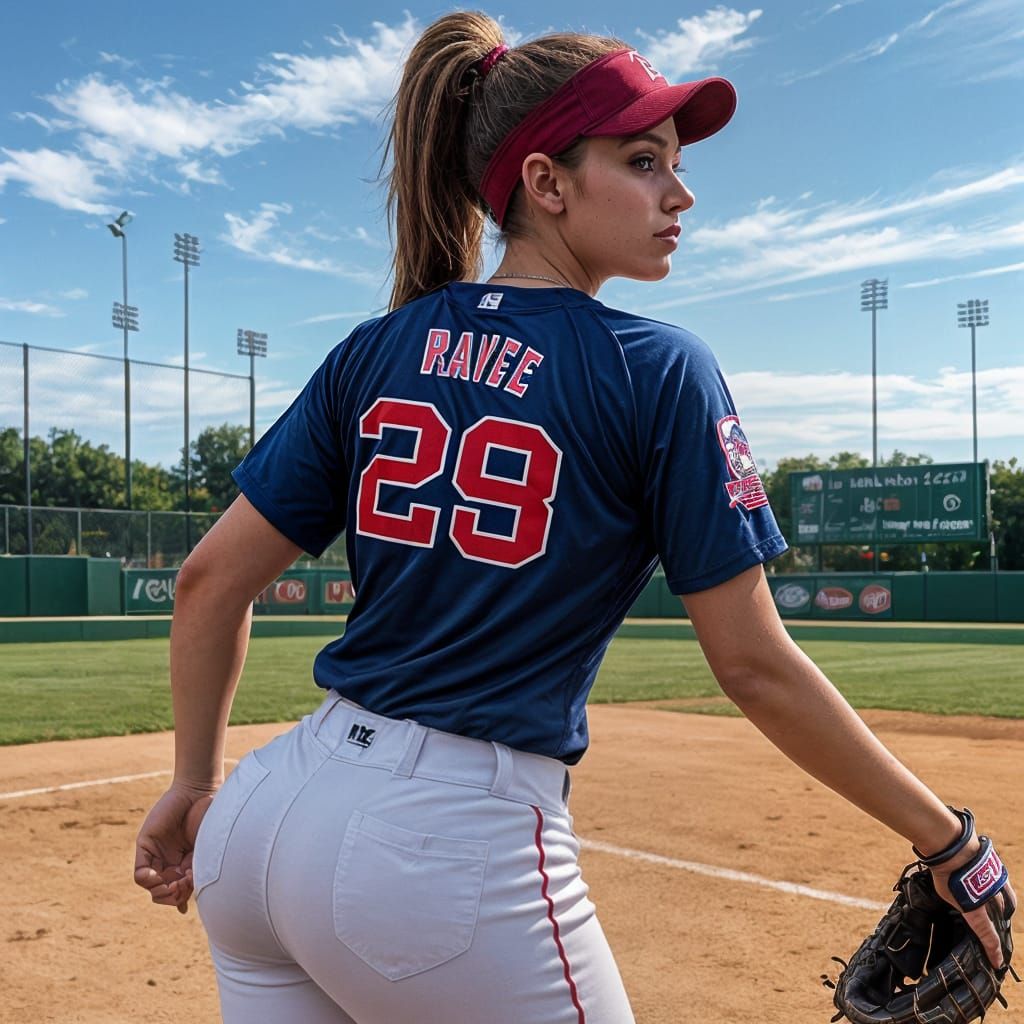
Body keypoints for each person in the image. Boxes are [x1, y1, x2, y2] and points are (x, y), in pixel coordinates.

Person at [134, 12, 1014, 1024]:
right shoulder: (656, 368)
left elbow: (206, 581)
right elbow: (753, 665)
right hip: (442, 848)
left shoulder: (372, 350)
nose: (679, 192)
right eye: (643, 160)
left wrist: (192, 783)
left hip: (263, 820)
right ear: (546, 184)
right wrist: (950, 841)